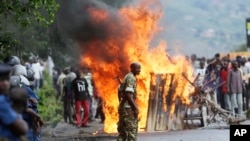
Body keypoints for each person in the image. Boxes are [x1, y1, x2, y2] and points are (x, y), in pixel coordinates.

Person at [0, 63, 28, 140]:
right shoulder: (1, 101)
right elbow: (22, 129)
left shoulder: (6, 98)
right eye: (1, 80)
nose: (5, 83)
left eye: (7, 79)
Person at [117, 62, 141, 141]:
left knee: (123, 133)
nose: (139, 70)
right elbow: (128, 93)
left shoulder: (127, 76)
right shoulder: (130, 77)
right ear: (132, 68)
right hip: (128, 108)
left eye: (140, 68)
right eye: (137, 68)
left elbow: (120, 91)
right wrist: (135, 107)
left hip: (123, 107)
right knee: (132, 132)